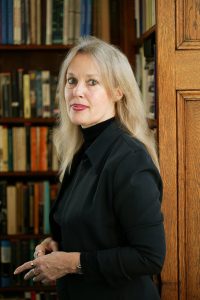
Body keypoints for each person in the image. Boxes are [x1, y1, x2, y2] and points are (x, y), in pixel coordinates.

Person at [14, 36, 166, 300]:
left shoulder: (130, 159)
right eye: (71, 81)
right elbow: (95, 231)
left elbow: (149, 257)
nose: (77, 91)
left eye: (92, 82)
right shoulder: (81, 152)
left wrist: (70, 262)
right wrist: (58, 246)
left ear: (118, 91)